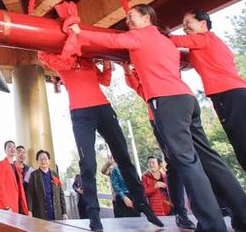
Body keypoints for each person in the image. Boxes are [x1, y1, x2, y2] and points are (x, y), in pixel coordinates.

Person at [70, 4, 246, 232]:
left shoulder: (139, 36)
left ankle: (212, 225)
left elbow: (111, 42)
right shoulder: (165, 39)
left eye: (131, 15)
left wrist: (78, 31)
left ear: (146, 17)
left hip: (166, 102)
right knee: (210, 160)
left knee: (187, 163)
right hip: (187, 99)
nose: (127, 20)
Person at [171, 9, 246, 228]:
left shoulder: (202, 38)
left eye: (188, 22)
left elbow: (172, 40)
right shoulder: (215, 43)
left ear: (203, 23)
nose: (185, 26)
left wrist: (152, 36)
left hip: (232, 97)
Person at [38, 53, 162, 232]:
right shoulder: (53, 57)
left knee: (124, 157)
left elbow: (104, 80)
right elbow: (64, 54)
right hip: (81, 114)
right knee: (88, 165)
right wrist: (74, 34)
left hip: (103, 108)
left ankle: (143, 204)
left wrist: (106, 62)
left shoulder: (86, 60)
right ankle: (94, 216)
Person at [123, 62, 195, 229]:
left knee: (193, 163)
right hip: (158, 119)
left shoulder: (165, 74)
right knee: (175, 165)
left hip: (181, 114)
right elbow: (134, 82)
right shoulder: (145, 85)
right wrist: (127, 70)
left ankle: (217, 208)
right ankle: (181, 213)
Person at [26, 150, 67, 221]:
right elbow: (30, 194)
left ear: (49, 160)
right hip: (40, 212)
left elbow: (61, 194)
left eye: (45, 158)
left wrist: (64, 212)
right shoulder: (33, 175)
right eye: (41, 159)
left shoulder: (55, 175)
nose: (43, 161)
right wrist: (29, 210)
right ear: (37, 161)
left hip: (56, 213)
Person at [0, 140, 28, 215]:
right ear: (5, 150)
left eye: (14, 147)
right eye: (9, 146)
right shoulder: (1, 164)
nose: (12, 148)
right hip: (6, 206)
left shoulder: (16, 167)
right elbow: (1, 186)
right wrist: (6, 206)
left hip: (16, 203)